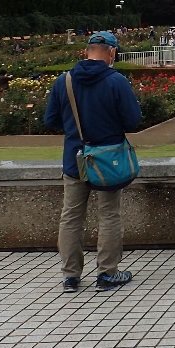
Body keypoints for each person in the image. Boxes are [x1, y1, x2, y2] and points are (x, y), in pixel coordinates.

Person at [43, 32, 142, 293]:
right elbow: (133, 120)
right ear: (111, 53)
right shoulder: (116, 81)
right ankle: (107, 273)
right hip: (108, 160)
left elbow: (51, 119)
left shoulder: (64, 81)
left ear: (87, 51)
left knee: (71, 217)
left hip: (75, 159)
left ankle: (70, 276)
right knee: (109, 214)